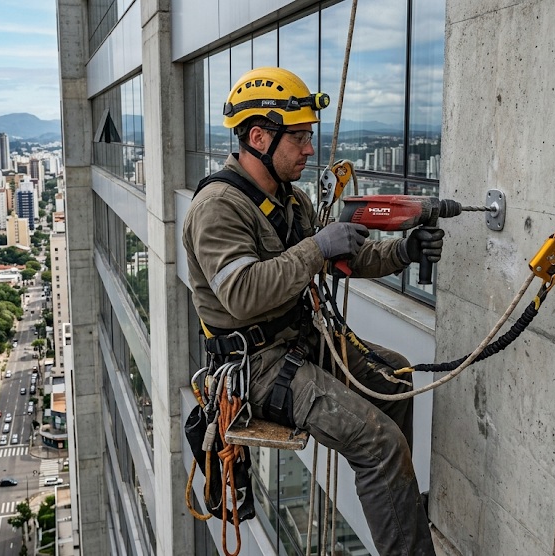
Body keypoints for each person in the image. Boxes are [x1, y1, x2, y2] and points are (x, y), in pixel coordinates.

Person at [183, 66, 444, 556]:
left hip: (298, 340)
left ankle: (399, 513)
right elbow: (242, 292)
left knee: (395, 380)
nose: (308, 149)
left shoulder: (288, 199)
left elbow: (343, 255)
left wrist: (403, 251)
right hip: (256, 365)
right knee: (378, 444)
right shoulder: (218, 208)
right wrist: (315, 250)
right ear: (258, 137)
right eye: (299, 138)